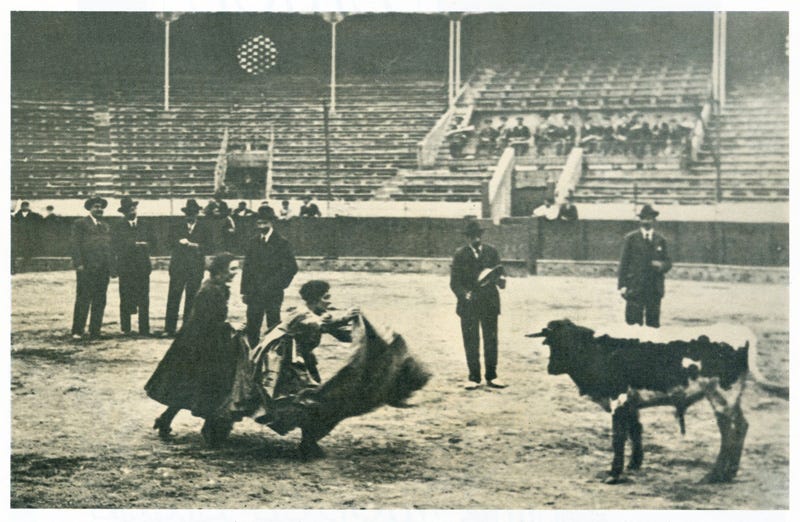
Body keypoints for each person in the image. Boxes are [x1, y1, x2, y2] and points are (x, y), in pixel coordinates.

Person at [147, 253, 241, 440]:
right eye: (232, 269)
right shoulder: (211, 291)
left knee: (189, 386)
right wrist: (230, 327)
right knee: (208, 385)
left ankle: (166, 419)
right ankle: (210, 429)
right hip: (200, 345)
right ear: (221, 270)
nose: (236, 273)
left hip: (199, 342)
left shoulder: (216, 287)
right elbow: (206, 322)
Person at [450, 220, 507, 390]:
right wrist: (464, 294)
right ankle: (474, 377)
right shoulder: (460, 254)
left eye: (478, 235)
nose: (475, 239)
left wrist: (502, 280)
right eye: (471, 236)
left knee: (491, 339)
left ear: (481, 236)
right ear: (467, 238)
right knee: (471, 340)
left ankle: (492, 375)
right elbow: (454, 283)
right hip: (469, 304)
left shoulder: (491, 252)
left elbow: (500, 274)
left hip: (489, 302)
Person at [241, 205, 298, 347]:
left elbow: (291, 268)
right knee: (252, 326)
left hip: (273, 293)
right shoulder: (253, 242)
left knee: (273, 327)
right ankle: (252, 358)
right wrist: (245, 291)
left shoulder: (282, 242)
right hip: (254, 293)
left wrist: (275, 285)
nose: (261, 226)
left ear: (272, 222)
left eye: (264, 223)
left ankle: (273, 359)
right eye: (259, 223)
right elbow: (247, 268)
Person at [618, 204, 672, 328]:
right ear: (640, 220)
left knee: (653, 324)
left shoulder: (661, 240)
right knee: (633, 323)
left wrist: (661, 265)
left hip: (654, 287)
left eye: (649, 218)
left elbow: (668, 262)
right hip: (635, 286)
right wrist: (622, 285)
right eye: (644, 218)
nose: (646, 221)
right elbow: (624, 263)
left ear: (654, 220)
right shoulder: (630, 239)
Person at [70, 196, 115, 341]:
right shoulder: (80, 223)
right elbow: (75, 244)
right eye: (96, 206)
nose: (99, 209)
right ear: (89, 208)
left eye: (101, 207)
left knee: (100, 299)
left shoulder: (106, 226)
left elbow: (110, 248)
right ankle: (78, 330)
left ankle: (95, 330)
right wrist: (79, 264)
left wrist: (112, 267)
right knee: (83, 298)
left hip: (103, 268)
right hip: (87, 268)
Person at [164, 199, 210, 337]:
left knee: (192, 298)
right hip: (178, 267)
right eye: (188, 213)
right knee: (174, 297)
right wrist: (179, 242)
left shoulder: (204, 228)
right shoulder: (176, 226)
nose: (190, 216)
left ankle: (187, 329)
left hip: (195, 268)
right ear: (185, 214)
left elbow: (210, 246)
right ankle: (169, 329)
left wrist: (196, 246)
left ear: (197, 214)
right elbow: (168, 243)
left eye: (193, 213)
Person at [112, 197, 154, 336]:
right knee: (125, 297)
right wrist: (133, 245)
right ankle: (126, 328)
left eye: (134, 208)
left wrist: (146, 245)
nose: (133, 211)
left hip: (142, 266)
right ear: (124, 212)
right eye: (129, 209)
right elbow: (116, 245)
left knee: (144, 298)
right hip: (126, 267)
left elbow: (154, 242)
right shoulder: (117, 226)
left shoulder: (145, 224)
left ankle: (144, 328)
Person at [12, 200, 43, 272]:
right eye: (23, 206)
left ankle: (25, 266)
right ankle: (16, 267)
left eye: (26, 206)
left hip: (29, 237)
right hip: (19, 237)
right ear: (21, 207)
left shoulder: (34, 216)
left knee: (28, 251)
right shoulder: (17, 216)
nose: (25, 207)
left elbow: (40, 221)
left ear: (28, 207)